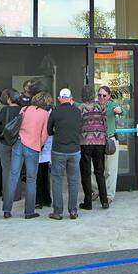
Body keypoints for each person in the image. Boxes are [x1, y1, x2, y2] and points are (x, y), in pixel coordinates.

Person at [3, 85, 49, 219]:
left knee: (13, 176)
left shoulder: (24, 108)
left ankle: (7, 209)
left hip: (18, 144)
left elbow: (18, 125)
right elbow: (44, 134)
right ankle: (29, 212)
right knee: (31, 179)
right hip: (33, 147)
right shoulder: (45, 114)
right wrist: (38, 145)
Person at [48, 87, 83, 220]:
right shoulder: (77, 111)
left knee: (57, 180)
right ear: (70, 98)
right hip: (74, 150)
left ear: (59, 99)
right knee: (73, 181)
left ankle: (57, 212)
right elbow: (80, 128)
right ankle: (73, 211)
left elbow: (48, 130)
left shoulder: (55, 112)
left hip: (59, 150)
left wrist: (56, 133)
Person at [78, 85, 109, 210]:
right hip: (100, 142)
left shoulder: (80, 108)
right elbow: (105, 123)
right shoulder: (99, 107)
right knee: (99, 172)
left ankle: (88, 202)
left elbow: (78, 124)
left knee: (85, 173)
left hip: (85, 142)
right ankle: (104, 201)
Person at [0, 88, 22, 202]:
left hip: (4, 143)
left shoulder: (4, 110)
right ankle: (17, 195)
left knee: (6, 169)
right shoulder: (23, 110)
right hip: (18, 142)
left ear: (8, 99)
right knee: (16, 169)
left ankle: (8, 195)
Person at [98, 85, 124, 202]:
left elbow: (123, 110)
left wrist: (120, 110)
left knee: (110, 170)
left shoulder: (112, 105)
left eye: (104, 95)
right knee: (94, 169)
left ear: (108, 96)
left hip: (110, 140)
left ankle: (109, 195)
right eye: (99, 95)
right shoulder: (95, 105)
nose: (101, 97)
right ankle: (96, 191)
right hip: (97, 141)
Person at [36, 132, 53, 209]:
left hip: (38, 155)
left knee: (38, 179)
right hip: (46, 155)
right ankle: (46, 200)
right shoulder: (49, 127)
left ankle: (39, 201)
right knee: (45, 179)